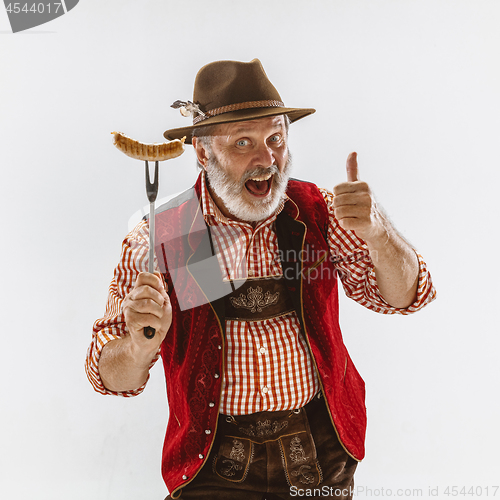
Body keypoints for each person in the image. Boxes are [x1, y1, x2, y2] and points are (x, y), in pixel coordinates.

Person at [86, 59, 436, 500]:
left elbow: (408, 296)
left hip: (320, 456)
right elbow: (109, 376)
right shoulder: (167, 235)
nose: (266, 159)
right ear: (202, 152)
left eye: (275, 138)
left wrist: (379, 233)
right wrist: (139, 344)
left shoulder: (320, 212)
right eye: (243, 143)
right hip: (212, 468)